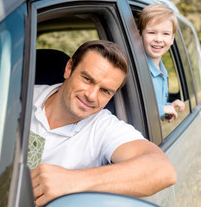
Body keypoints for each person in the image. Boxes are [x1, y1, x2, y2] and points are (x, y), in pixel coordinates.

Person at [29, 40, 177, 206]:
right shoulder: (17, 97)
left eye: (105, 91)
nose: (91, 96)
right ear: (69, 68)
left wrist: (73, 182)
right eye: (87, 79)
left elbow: (163, 170)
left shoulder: (104, 127)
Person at [137, 4, 185, 122]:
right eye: (152, 32)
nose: (158, 39)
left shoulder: (162, 71)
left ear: (172, 38)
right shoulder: (137, 70)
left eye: (166, 34)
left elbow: (155, 104)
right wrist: (162, 110)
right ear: (140, 34)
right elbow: (135, 108)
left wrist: (169, 106)